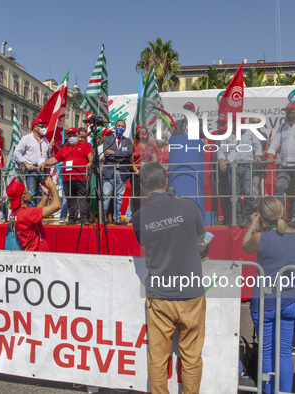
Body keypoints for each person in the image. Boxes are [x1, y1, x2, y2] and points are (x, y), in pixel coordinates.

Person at [131, 163, 206, 394]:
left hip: (160, 296)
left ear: (142, 186)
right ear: (167, 181)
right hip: (191, 293)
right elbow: (201, 241)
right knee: (191, 357)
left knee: (157, 357)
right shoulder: (189, 206)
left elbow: (146, 244)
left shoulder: (138, 217)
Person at [241, 197, 295, 394]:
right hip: (290, 298)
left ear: (264, 219)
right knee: (284, 353)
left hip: (265, 301)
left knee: (267, 353)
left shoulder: (262, 237)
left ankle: (268, 391)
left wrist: (253, 224)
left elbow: (245, 246)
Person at [40, 127, 93, 225]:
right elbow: (55, 159)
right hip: (67, 178)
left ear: (78, 136)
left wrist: (90, 164)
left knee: (83, 198)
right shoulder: (64, 148)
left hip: (81, 177)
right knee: (70, 198)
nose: (72, 137)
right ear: (67, 136)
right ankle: (72, 217)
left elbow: (91, 158)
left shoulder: (86, 145)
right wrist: (44, 163)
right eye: (70, 136)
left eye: (74, 135)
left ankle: (84, 217)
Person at [217, 116, 263, 227]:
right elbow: (222, 150)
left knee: (247, 193)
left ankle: (247, 217)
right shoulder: (227, 134)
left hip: (247, 166)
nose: (240, 124)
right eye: (237, 122)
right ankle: (238, 217)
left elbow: (258, 146)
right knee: (235, 194)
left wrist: (258, 155)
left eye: (242, 122)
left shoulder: (250, 132)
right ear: (232, 123)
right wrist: (222, 160)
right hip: (233, 167)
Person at [6, 178, 60, 251]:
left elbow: (35, 213)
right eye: (27, 191)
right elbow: (57, 205)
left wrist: (46, 195)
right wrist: (53, 187)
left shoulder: (14, 213)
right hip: (36, 256)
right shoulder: (28, 213)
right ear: (24, 197)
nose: (30, 192)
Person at [14, 118, 51, 206]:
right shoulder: (26, 138)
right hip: (32, 168)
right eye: (41, 126)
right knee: (32, 192)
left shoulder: (45, 140)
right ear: (35, 127)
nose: (43, 128)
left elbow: (50, 155)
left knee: (42, 192)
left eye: (44, 126)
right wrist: (26, 164)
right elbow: (17, 153)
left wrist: (51, 148)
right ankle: (32, 212)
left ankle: (40, 213)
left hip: (43, 168)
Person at [102, 120, 132, 225]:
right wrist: (121, 156)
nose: (120, 127)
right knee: (106, 195)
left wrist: (114, 153)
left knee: (119, 197)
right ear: (115, 127)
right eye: (119, 125)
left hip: (122, 172)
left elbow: (128, 153)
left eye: (123, 126)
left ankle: (117, 219)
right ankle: (102, 218)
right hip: (109, 171)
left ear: (125, 128)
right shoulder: (108, 139)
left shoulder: (127, 141)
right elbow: (106, 154)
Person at [131, 125, 158, 214]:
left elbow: (154, 160)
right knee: (136, 195)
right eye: (141, 132)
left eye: (145, 132)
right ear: (138, 134)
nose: (143, 134)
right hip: (136, 173)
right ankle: (136, 214)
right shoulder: (133, 145)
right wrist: (137, 172)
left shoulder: (151, 145)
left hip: (148, 174)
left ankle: (148, 213)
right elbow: (131, 162)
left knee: (148, 194)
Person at [213, 114, 233, 226]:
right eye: (219, 124)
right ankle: (225, 218)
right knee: (223, 193)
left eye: (223, 123)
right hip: (219, 170)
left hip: (231, 168)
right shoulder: (217, 136)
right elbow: (215, 154)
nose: (221, 126)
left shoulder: (232, 136)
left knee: (231, 194)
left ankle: (232, 218)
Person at [249, 117, 269, 200]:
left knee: (256, 191)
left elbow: (261, 149)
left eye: (258, 122)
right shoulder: (244, 134)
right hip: (245, 166)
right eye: (253, 122)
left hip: (257, 168)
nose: (255, 124)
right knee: (248, 192)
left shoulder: (263, 135)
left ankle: (257, 210)